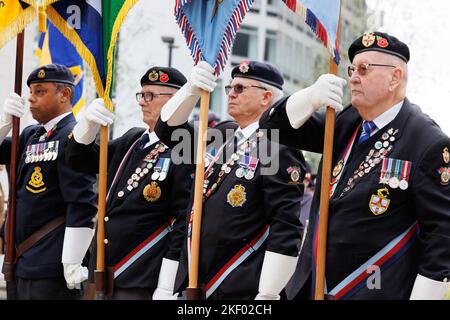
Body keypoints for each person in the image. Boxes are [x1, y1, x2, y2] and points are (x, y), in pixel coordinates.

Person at [260, 32, 450, 300]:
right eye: (352, 69)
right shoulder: (346, 121)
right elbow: (272, 128)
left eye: (364, 69)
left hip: (372, 289)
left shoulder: (426, 141)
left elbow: (442, 236)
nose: (353, 77)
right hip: (312, 286)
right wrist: (309, 97)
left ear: (395, 78)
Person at [155, 60, 306, 300]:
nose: (231, 95)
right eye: (230, 88)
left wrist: (268, 293)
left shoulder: (279, 144)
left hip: (239, 282)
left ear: (266, 97)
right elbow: (167, 130)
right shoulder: (223, 134)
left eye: (240, 89)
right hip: (197, 279)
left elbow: (285, 225)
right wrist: (190, 90)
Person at [66, 67, 193, 300]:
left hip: (143, 271)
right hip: (107, 269)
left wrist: (167, 284)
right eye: (141, 95)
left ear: (175, 100)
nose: (143, 102)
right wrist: (87, 126)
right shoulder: (133, 140)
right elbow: (79, 160)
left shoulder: (185, 146)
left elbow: (182, 220)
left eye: (151, 96)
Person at [0, 64, 97, 299]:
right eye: (31, 92)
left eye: (40, 92)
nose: (31, 99)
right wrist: (5, 122)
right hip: (21, 259)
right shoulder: (31, 135)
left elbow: (81, 201)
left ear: (64, 95)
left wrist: (72, 260)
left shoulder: (74, 138)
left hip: (50, 263)